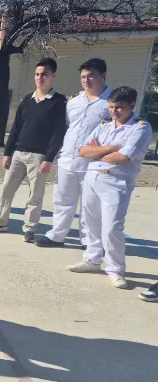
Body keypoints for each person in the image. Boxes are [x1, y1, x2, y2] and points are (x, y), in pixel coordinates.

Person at [67, 87, 152, 289]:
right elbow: (83, 150)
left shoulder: (140, 127)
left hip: (116, 181)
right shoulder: (104, 125)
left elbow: (123, 158)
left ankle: (115, 268)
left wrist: (97, 151)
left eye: (119, 107)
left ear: (132, 106)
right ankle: (92, 259)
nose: (114, 111)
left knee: (112, 226)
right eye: (111, 107)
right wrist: (109, 148)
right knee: (90, 222)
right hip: (92, 177)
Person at [0, 58, 67, 243]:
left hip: (39, 156)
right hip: (18, 154)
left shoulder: (59, 102)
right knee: (6, 189)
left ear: (53, 76)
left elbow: (58, 133)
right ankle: (1, 221)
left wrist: (49, 158)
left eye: (44, 74)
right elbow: (16, 128)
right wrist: (7, 153)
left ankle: (30, 228)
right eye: (37, 74)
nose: (40, 78)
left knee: (35, 195)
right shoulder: (27, 100)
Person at [37, 59, 111, 248]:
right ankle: (57, 235)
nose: (86, 80)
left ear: (103, 76)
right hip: (67, 160)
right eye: (83, 77)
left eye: (91, 76)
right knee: (62, 200)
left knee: (90, 205)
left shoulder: (111, 103)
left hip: (93, 164)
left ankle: (88, 241)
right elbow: (67, 127)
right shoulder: (73, 101)